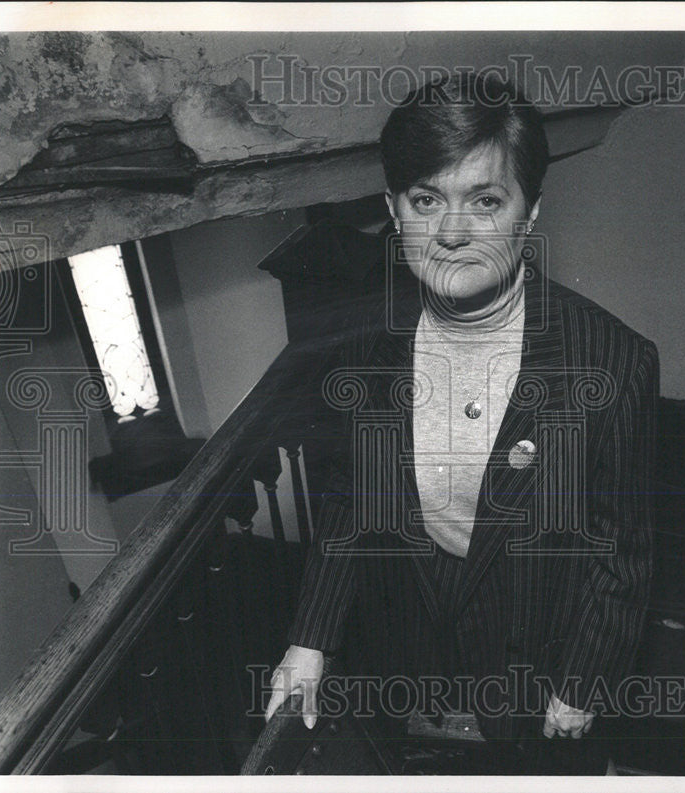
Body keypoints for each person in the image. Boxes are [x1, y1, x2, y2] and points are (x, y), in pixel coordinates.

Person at [265, 71, 659, 774]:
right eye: (426, 200)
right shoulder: (365, 346)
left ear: (530, 212)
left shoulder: (613, 362)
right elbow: (352, 503)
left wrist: (582, 681)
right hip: (405, 656)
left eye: (485, 200)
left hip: (532, 669)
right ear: (393, 208)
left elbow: (617, 551)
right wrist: (311, 638)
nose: (450, 232)